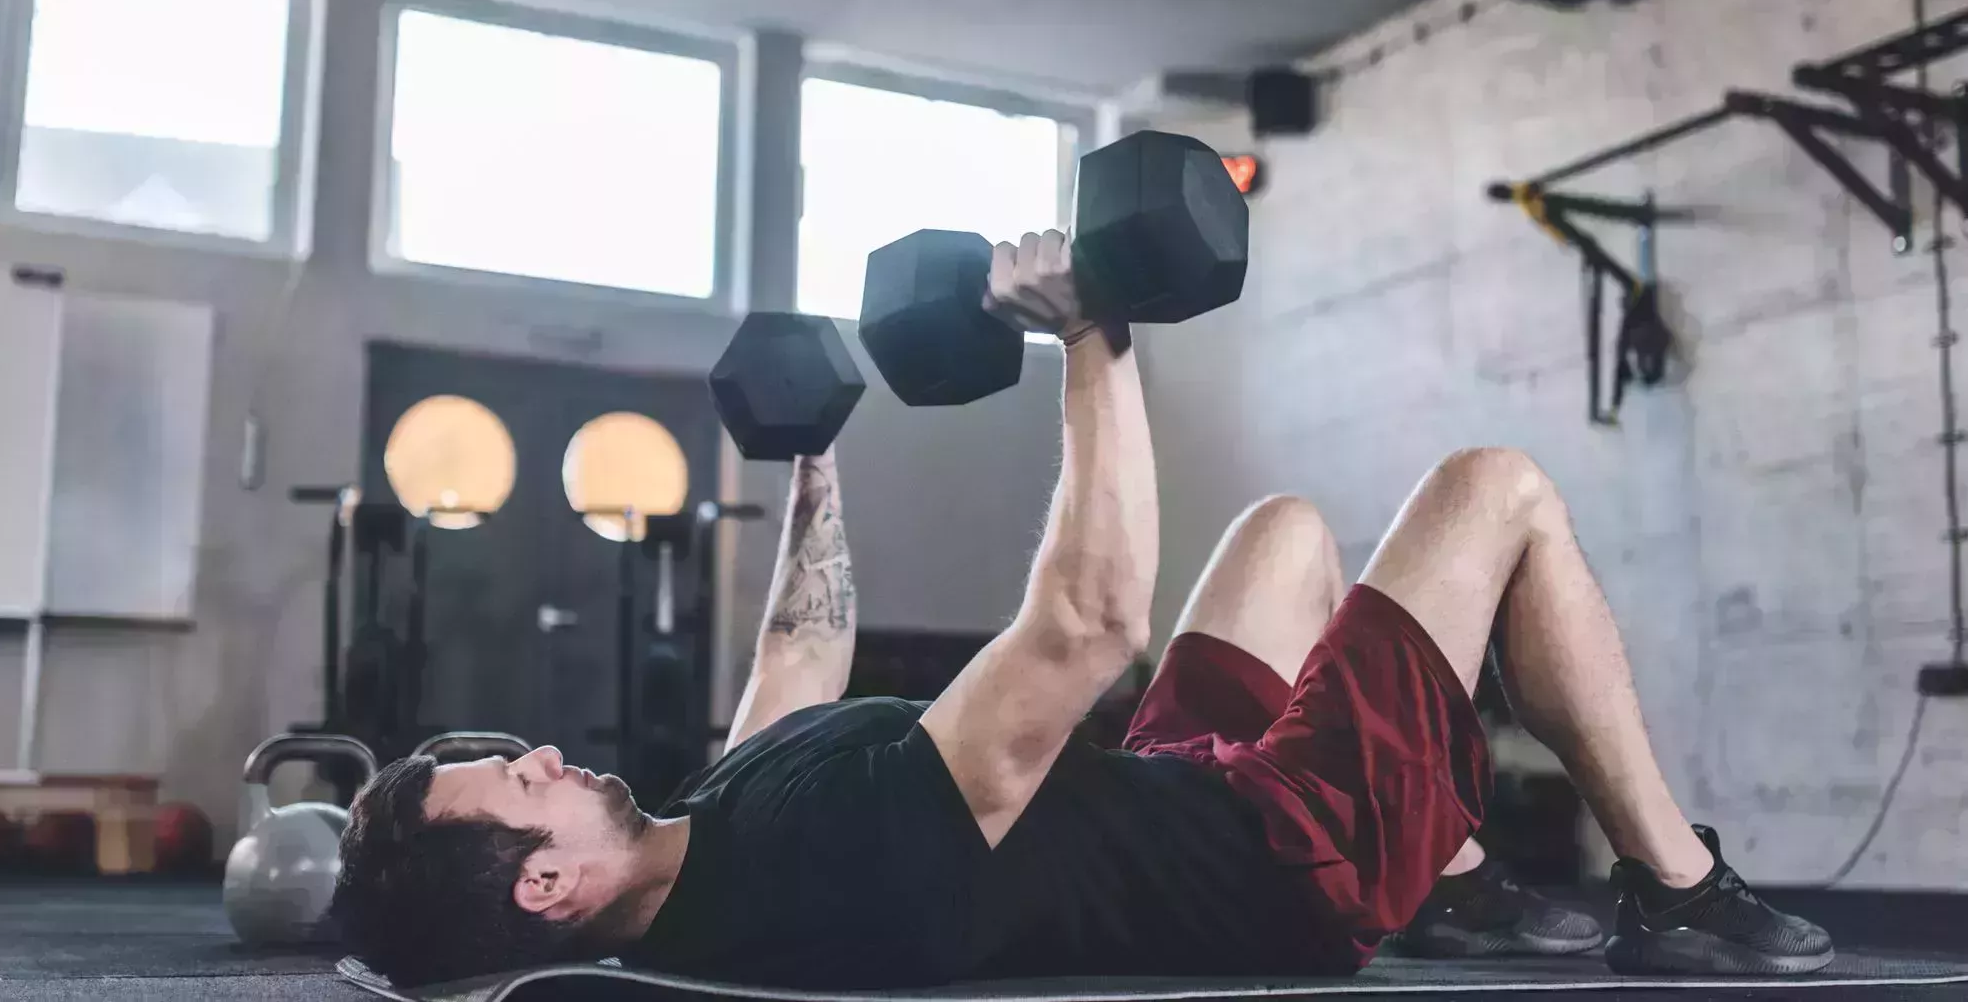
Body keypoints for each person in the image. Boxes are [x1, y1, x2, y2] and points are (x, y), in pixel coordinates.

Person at [334, 232, 1833, 989]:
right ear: (543, 889)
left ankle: (1450, 871)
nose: (540, 753)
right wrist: (1090, 336)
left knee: (1286, 531)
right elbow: (1091, 618)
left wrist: (813, 455)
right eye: (517, 781)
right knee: (1494, 488)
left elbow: (798, 658)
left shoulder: (707, 830)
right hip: (1280, 859)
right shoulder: (829, 858)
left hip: (1178, 791)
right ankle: (1680, 887)